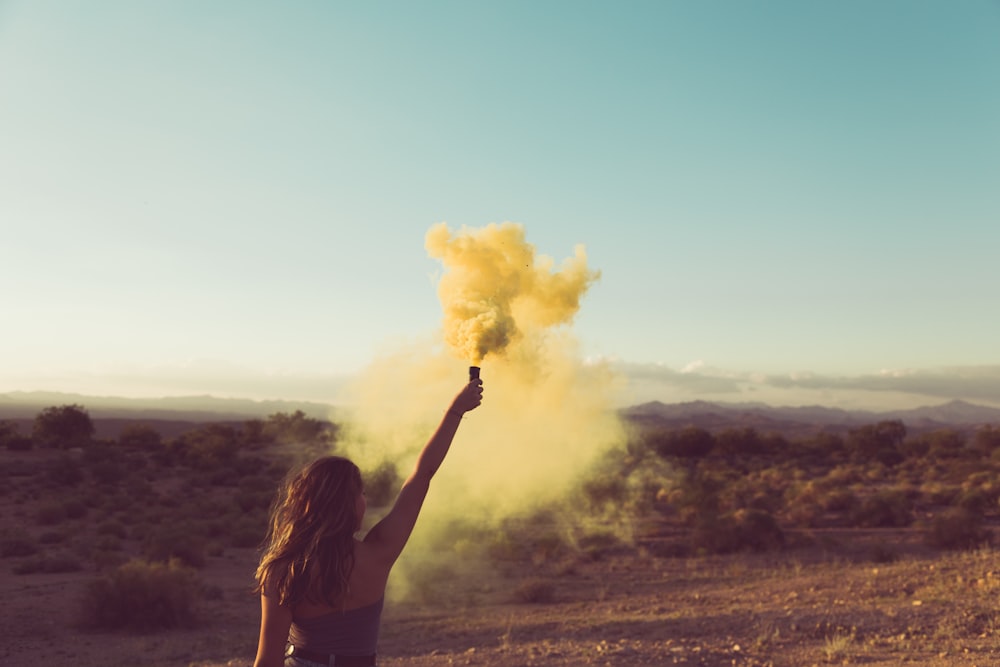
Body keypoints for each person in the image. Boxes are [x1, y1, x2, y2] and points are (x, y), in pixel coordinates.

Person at [252, 377, 484, 667]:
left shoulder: (283, 569)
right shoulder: (377, 553)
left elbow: (267, 661)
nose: (365, 499)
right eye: (360, 493)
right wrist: (455, 411)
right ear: (347, 505)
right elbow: (422, 474)